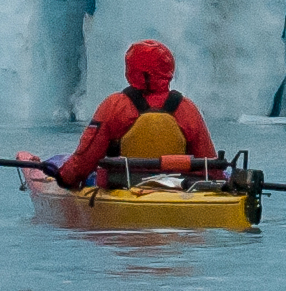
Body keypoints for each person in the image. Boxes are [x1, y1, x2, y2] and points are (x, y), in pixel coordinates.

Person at [57, 39, 215, 188]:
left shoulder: (115, 106)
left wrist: (64, 179)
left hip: (123, 187)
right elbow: (209, 165)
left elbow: (85, 159)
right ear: (168, 69)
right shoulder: (186, 108)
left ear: (132, 70)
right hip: (177, 189)